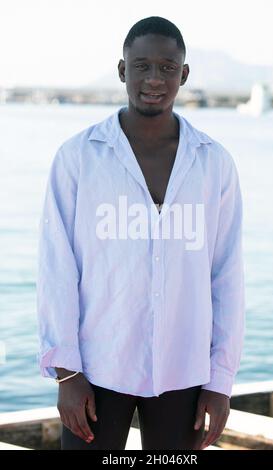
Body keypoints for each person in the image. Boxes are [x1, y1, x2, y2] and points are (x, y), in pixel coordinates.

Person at [36, 16, 245, 451]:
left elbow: (226, 277)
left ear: (183, 75)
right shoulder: (78, 158)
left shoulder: (214, 164)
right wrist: (67, 374)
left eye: (168, 67)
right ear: (122, 70)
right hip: (97, 369)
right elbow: (57, 269)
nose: (154, 79)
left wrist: (221, 381)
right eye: (142, 66)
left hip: (183, 373)